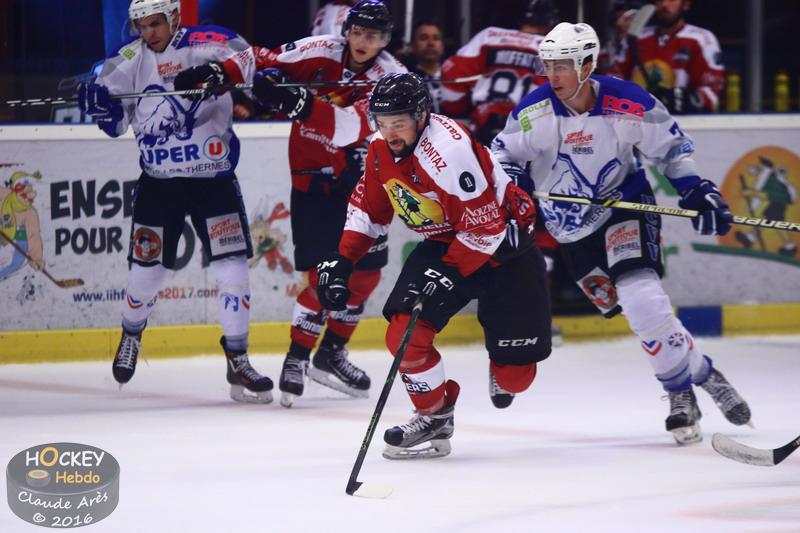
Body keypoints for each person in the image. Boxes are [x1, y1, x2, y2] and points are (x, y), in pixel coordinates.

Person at [491, 22, 751, 444]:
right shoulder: (534, 111)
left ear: (587, 65)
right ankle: (703, 372)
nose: (552, 75)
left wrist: (696, 189)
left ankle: (678, 393)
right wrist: (513, 180)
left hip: (624, 207)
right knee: (638, 315)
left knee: (642, 298)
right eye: (548, 65)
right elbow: (502, 154)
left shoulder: (628, 102)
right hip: (570, 229)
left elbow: (673, 149)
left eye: (562, 65)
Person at [315, 73, 552, 459]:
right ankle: (434, 415)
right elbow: (369, 210)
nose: (389, 133)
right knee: (405, 334)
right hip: (446, 243)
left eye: (399, 123)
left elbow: (487, 226)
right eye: (382, 122)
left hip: (505, 248)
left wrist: (451, 270)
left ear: (421, 116)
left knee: (515, 378)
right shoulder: (379, 148)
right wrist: (344, 259)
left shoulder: (448, 151)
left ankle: (504, 359)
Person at [211, 0, 407, 407]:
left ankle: (330, 353)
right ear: (347, 30)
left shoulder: (390, 79)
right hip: (313, 183)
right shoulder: (320, 49)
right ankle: (297, 357)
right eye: (358, 32)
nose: (363, 41)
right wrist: (219, 72)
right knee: (322, 278)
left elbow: (349, 128)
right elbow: (259, 56)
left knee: (365, 277)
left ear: (385, 41)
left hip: (364, 187)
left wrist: (297, 103)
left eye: (373, 36)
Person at [77, 0, 273, 403]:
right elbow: (114, 122)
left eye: (155, 23)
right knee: (145, 273)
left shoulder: (210, 41)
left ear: (174, 18)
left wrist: (228, 74)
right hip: (160, 184)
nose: (148, 33)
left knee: (233, 270)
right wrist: (100, 107)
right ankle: (131, 336)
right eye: (141, 25)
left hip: (214, 182)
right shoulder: (128, 60)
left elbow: (250, 59)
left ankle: (238, 359)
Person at [440, 0, 556, 145]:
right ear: (550, 23)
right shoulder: (549, 48)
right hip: (528, 130)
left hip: (484, 126)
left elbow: (453, 79)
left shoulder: (489, 36)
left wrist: (458, 110)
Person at [611, 0, 724, 113]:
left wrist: (689, 100)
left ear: (685, 4)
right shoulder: (635, 38)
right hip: (638, 119)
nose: (664, 4)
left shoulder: (702, 39)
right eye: (660, 0)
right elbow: (613, 81)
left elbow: (713, 91)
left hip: (682, 121)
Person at [399, 21, 446, 113]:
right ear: (412, 45)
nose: (431, 43)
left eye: (436, 38)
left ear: (442, 45)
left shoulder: (454, 74)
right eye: (424, 38)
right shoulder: (404, 78)